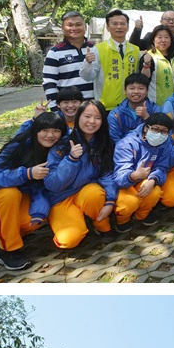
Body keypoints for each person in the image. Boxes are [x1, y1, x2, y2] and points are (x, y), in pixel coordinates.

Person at [0, 111, 65, 270]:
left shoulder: (54, 153)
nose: (50, 135)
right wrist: (26, 173)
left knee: (34, 217)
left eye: (56, 131)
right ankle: (8, 250)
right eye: (44, 130)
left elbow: (39, 188)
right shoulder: (17, 146)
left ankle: (7, 232)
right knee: (9, 194)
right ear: (35, 131)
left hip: (17, 197)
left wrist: (41, 209)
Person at [42, 99, 123, 247]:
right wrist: (71, 159)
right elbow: (52, 184)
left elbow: (107, 174)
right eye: (87, 116)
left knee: (95, 194)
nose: (92, 122)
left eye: (98, 118)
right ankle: (68, 219)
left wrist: (110, 201)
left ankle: (102, 226)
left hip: (85, 191)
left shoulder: (104, 144)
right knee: (70, 240)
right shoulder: (62, 144)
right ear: (78, 117)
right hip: (60, 197)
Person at [112, 112, 173, 227]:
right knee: (129, 203)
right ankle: (122, 221)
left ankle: (141, 216)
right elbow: (119, 177)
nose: (159, 134)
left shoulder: (166, 142)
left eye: (164, 131)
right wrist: (133, 176)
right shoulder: (126, 143)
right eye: (155, 129)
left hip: (144, 179)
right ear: (146, 128)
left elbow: (162, 166)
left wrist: (153, 180)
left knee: (154, 191)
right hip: (124, 183)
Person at [87, 9, 141, 110]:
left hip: (131, 105)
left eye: (122, 24)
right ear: (107, 27)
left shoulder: (135, 50)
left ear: (128, 27)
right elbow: (87, 76)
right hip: (105, 106)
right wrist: (87, 64)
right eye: (114, 24)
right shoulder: (98, 49)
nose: (119, 27)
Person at [42, 11, 95, 104]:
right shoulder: (55, 53)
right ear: (62, 28)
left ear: (85, 27)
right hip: (69, 108)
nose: (74, 28)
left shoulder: (95, 49)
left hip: (93, 107)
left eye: (78, 24)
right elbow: (49, 83)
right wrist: (55, 108)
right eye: (70, 25)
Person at [107, 73, 160, 144]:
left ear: (147, 91)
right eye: (132, 88)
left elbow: (159, 137)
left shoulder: (156, 110)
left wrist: (147, 118)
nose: (136, 92)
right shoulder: (116, 114)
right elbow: (115, 140)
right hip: (124, 152)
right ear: (125, 90)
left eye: (141, 88)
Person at [137, 25, 174, 108]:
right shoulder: (149, 56)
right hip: (154, 105)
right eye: (159, 37)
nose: (163, 40)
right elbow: (143, 79)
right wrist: (146, 65)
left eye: (166, 37)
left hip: (173, 104)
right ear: (153, 40)